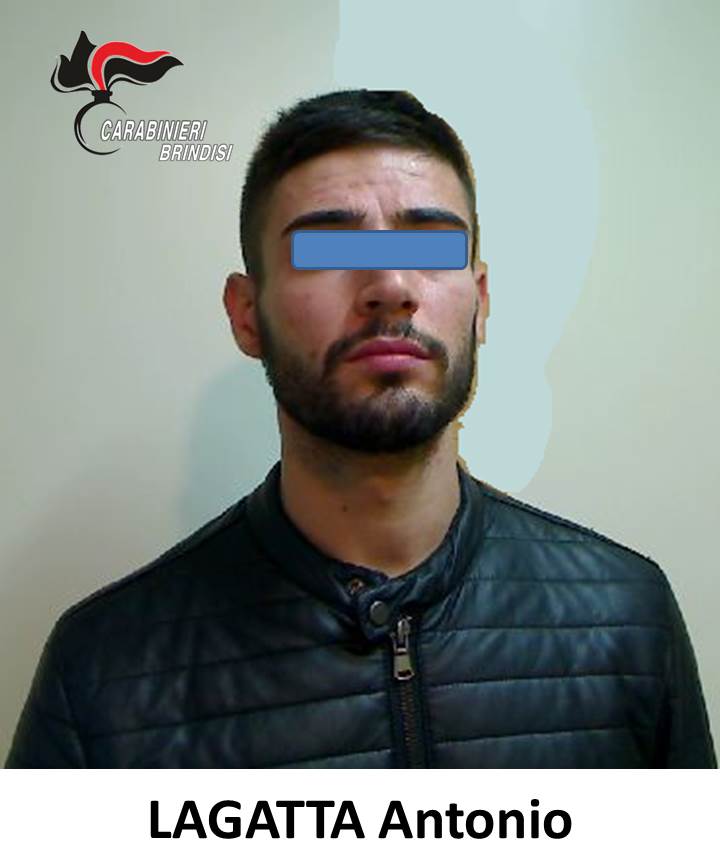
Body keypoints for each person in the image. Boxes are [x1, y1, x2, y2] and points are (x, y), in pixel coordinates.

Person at [6, 89, 715, 768]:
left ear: (480, 301)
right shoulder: (102, 674)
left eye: (432, 247)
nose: (391, 285)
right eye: (327, 248)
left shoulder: (626, 619)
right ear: (247, 315)